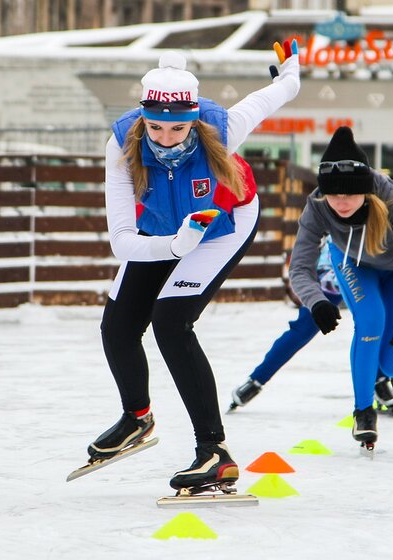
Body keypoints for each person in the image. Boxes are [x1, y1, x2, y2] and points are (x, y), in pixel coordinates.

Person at [84, 41, 300, 493]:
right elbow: (122, 242)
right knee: (118, 326)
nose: (166, 138)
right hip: (164, 230)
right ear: (143, 119)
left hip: (224, 225)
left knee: (170, 322)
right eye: (156, 129)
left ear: (194, 120)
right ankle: (136, 417)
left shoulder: (221, 128)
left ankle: (214, 453)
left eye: (178, 129)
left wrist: (289, 75)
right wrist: (173, 244)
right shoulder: (121, 145)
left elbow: (272, 96)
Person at [289, 126, 393, 449]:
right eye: (333, 194)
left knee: (392, 358)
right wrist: (316, 302)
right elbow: (299, 267)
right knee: (370, 321)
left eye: (350, 194)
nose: (341, 202)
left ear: (366, 191)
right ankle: (363, 411)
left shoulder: (391, 197)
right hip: (353, 264)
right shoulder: (318, 205)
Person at [228, 241, 393, 414]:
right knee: (303, 329)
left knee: (377, 323)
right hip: (334, 269)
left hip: (370, 268)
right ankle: (256, 380)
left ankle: (379, 380)